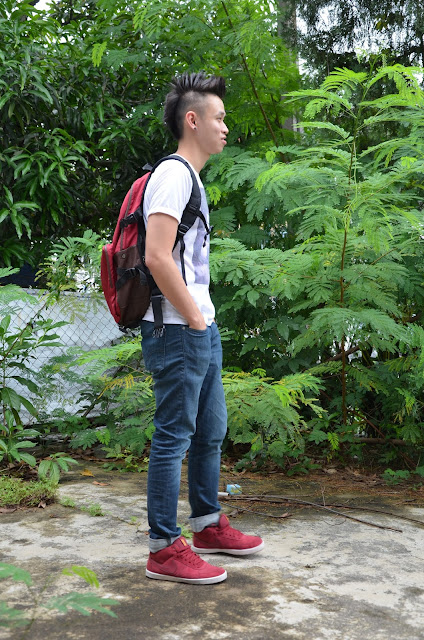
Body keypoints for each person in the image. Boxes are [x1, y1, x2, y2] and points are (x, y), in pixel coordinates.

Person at [140, 72, 264, 585]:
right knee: (174, 436)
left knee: (210, 431)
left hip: (199, 327)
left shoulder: (191, 177)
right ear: (192, 120)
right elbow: (156, 256)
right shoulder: (173, 176)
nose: (226, 127)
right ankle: (163, 548)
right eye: (219, 118)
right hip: (178, 329)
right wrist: (192, 317)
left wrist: (202, 321)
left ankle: (208, 525)